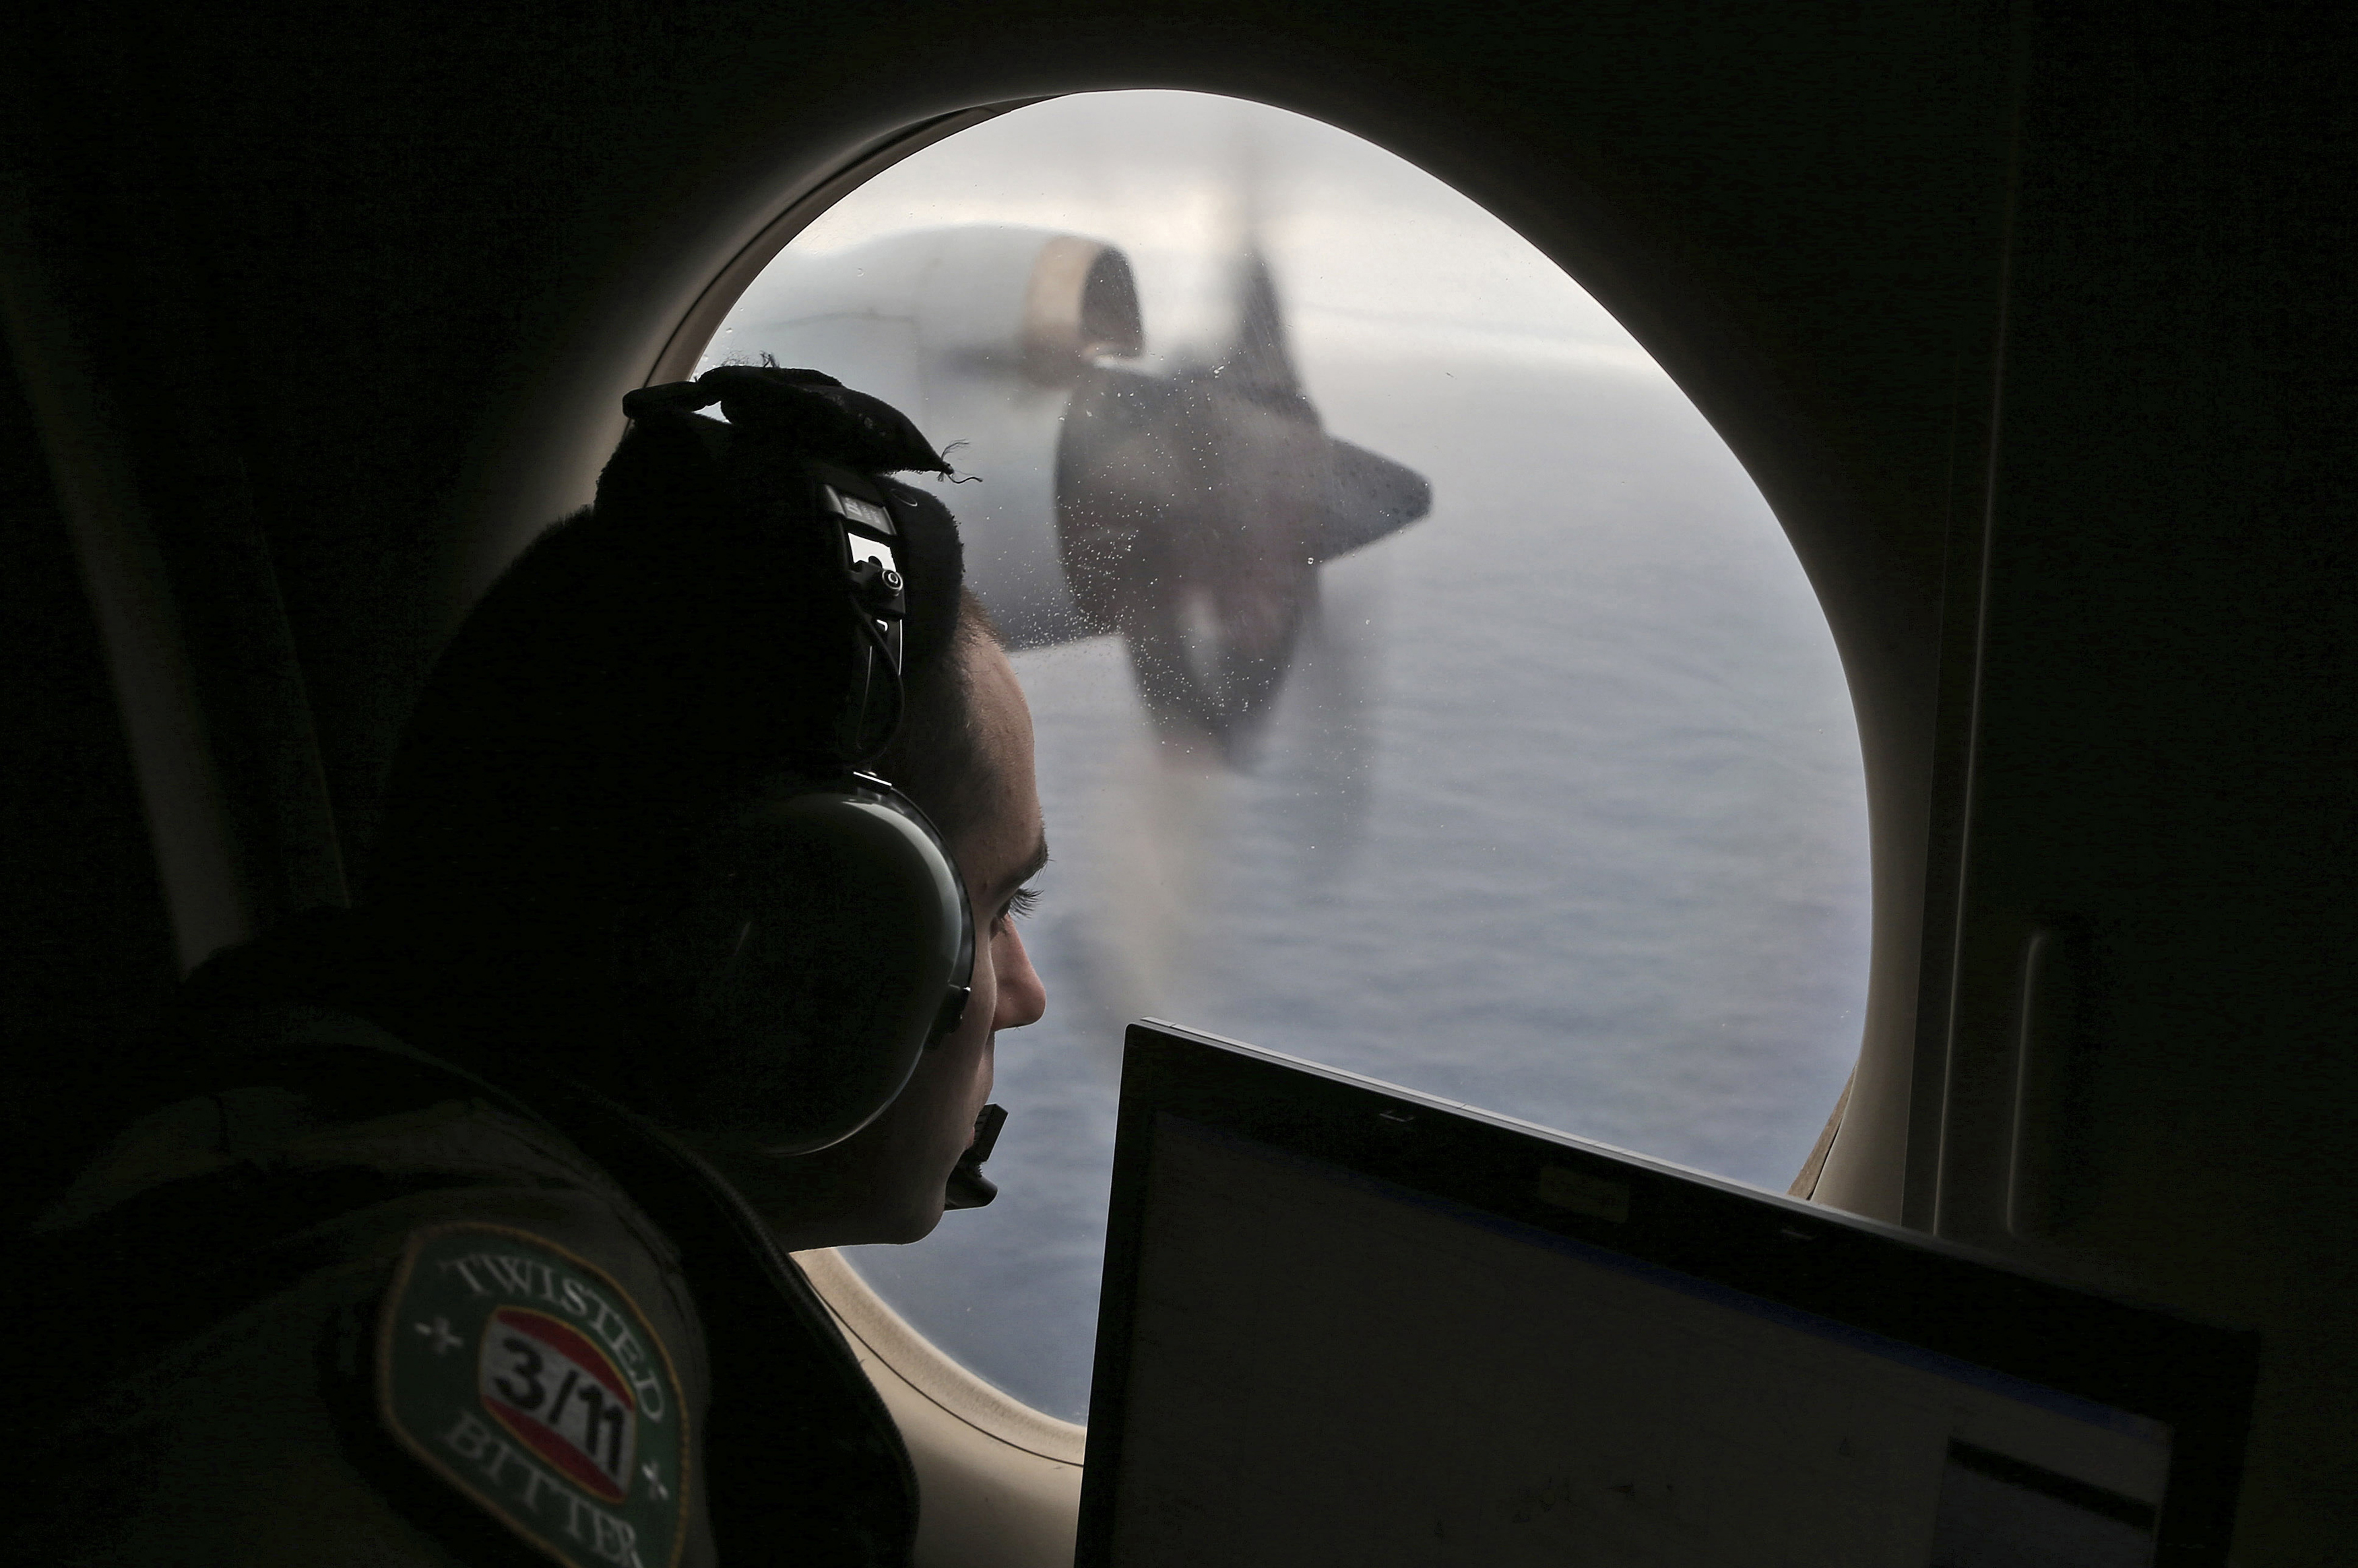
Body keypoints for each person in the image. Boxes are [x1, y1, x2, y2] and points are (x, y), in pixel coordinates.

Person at [15, 367, 1048, 1567]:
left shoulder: (342, 1128)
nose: (1020, 992)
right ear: (802, 952)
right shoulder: (506, 1336)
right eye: (993, 907)